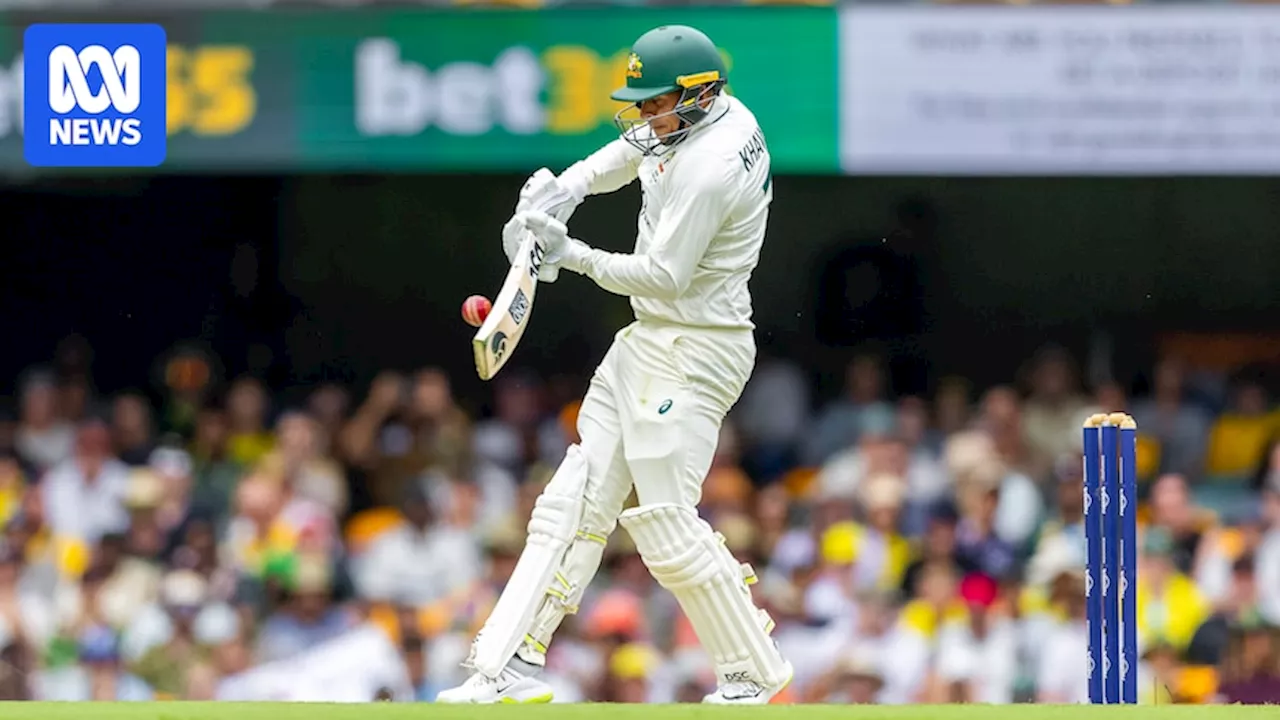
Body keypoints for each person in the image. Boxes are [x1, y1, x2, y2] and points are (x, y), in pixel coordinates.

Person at [437, 24, 789, 705]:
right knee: (570, 500)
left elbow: (661, 276)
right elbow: (622, 155)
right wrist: (558, 194)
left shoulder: (711, 165)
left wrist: (568, 255)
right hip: (648, 341)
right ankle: (503, 667)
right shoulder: (686, 121)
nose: (645, 115)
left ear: (700, 92)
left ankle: (752, 671)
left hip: (699, 346)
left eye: (656, 103)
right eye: (644, 101)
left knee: (662, 519)